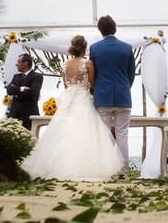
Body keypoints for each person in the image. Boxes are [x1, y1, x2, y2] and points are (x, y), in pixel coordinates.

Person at [22, 35, 124, 180]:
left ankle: (55, 167)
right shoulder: (88, 63)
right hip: (83, 97)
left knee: (63, 131)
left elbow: (66, 84)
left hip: (69, 98)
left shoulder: (65, 64)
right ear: (84, 48)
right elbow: (93, 85)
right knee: (87, 130)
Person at [89, 16, 136, 172]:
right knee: (123, 134)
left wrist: (97, 89)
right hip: (123, 95)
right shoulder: (127, 48)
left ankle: (107, 170)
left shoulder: (95, 48)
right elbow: (131, 74)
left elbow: (93, 74)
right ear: (114, 28)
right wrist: (125, 87)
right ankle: (123, 171)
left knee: (105, 135)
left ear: (100, 30)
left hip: (103, 96)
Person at [6, 53, 42, 130]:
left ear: (26, 63)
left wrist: (15, 90)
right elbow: (9, 90)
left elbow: (33, 92)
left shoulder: (37, 76)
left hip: (28, 116)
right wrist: (21, 89)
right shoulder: (16, 76)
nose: (16, 64)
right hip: (13, 115)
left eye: (19, 62)